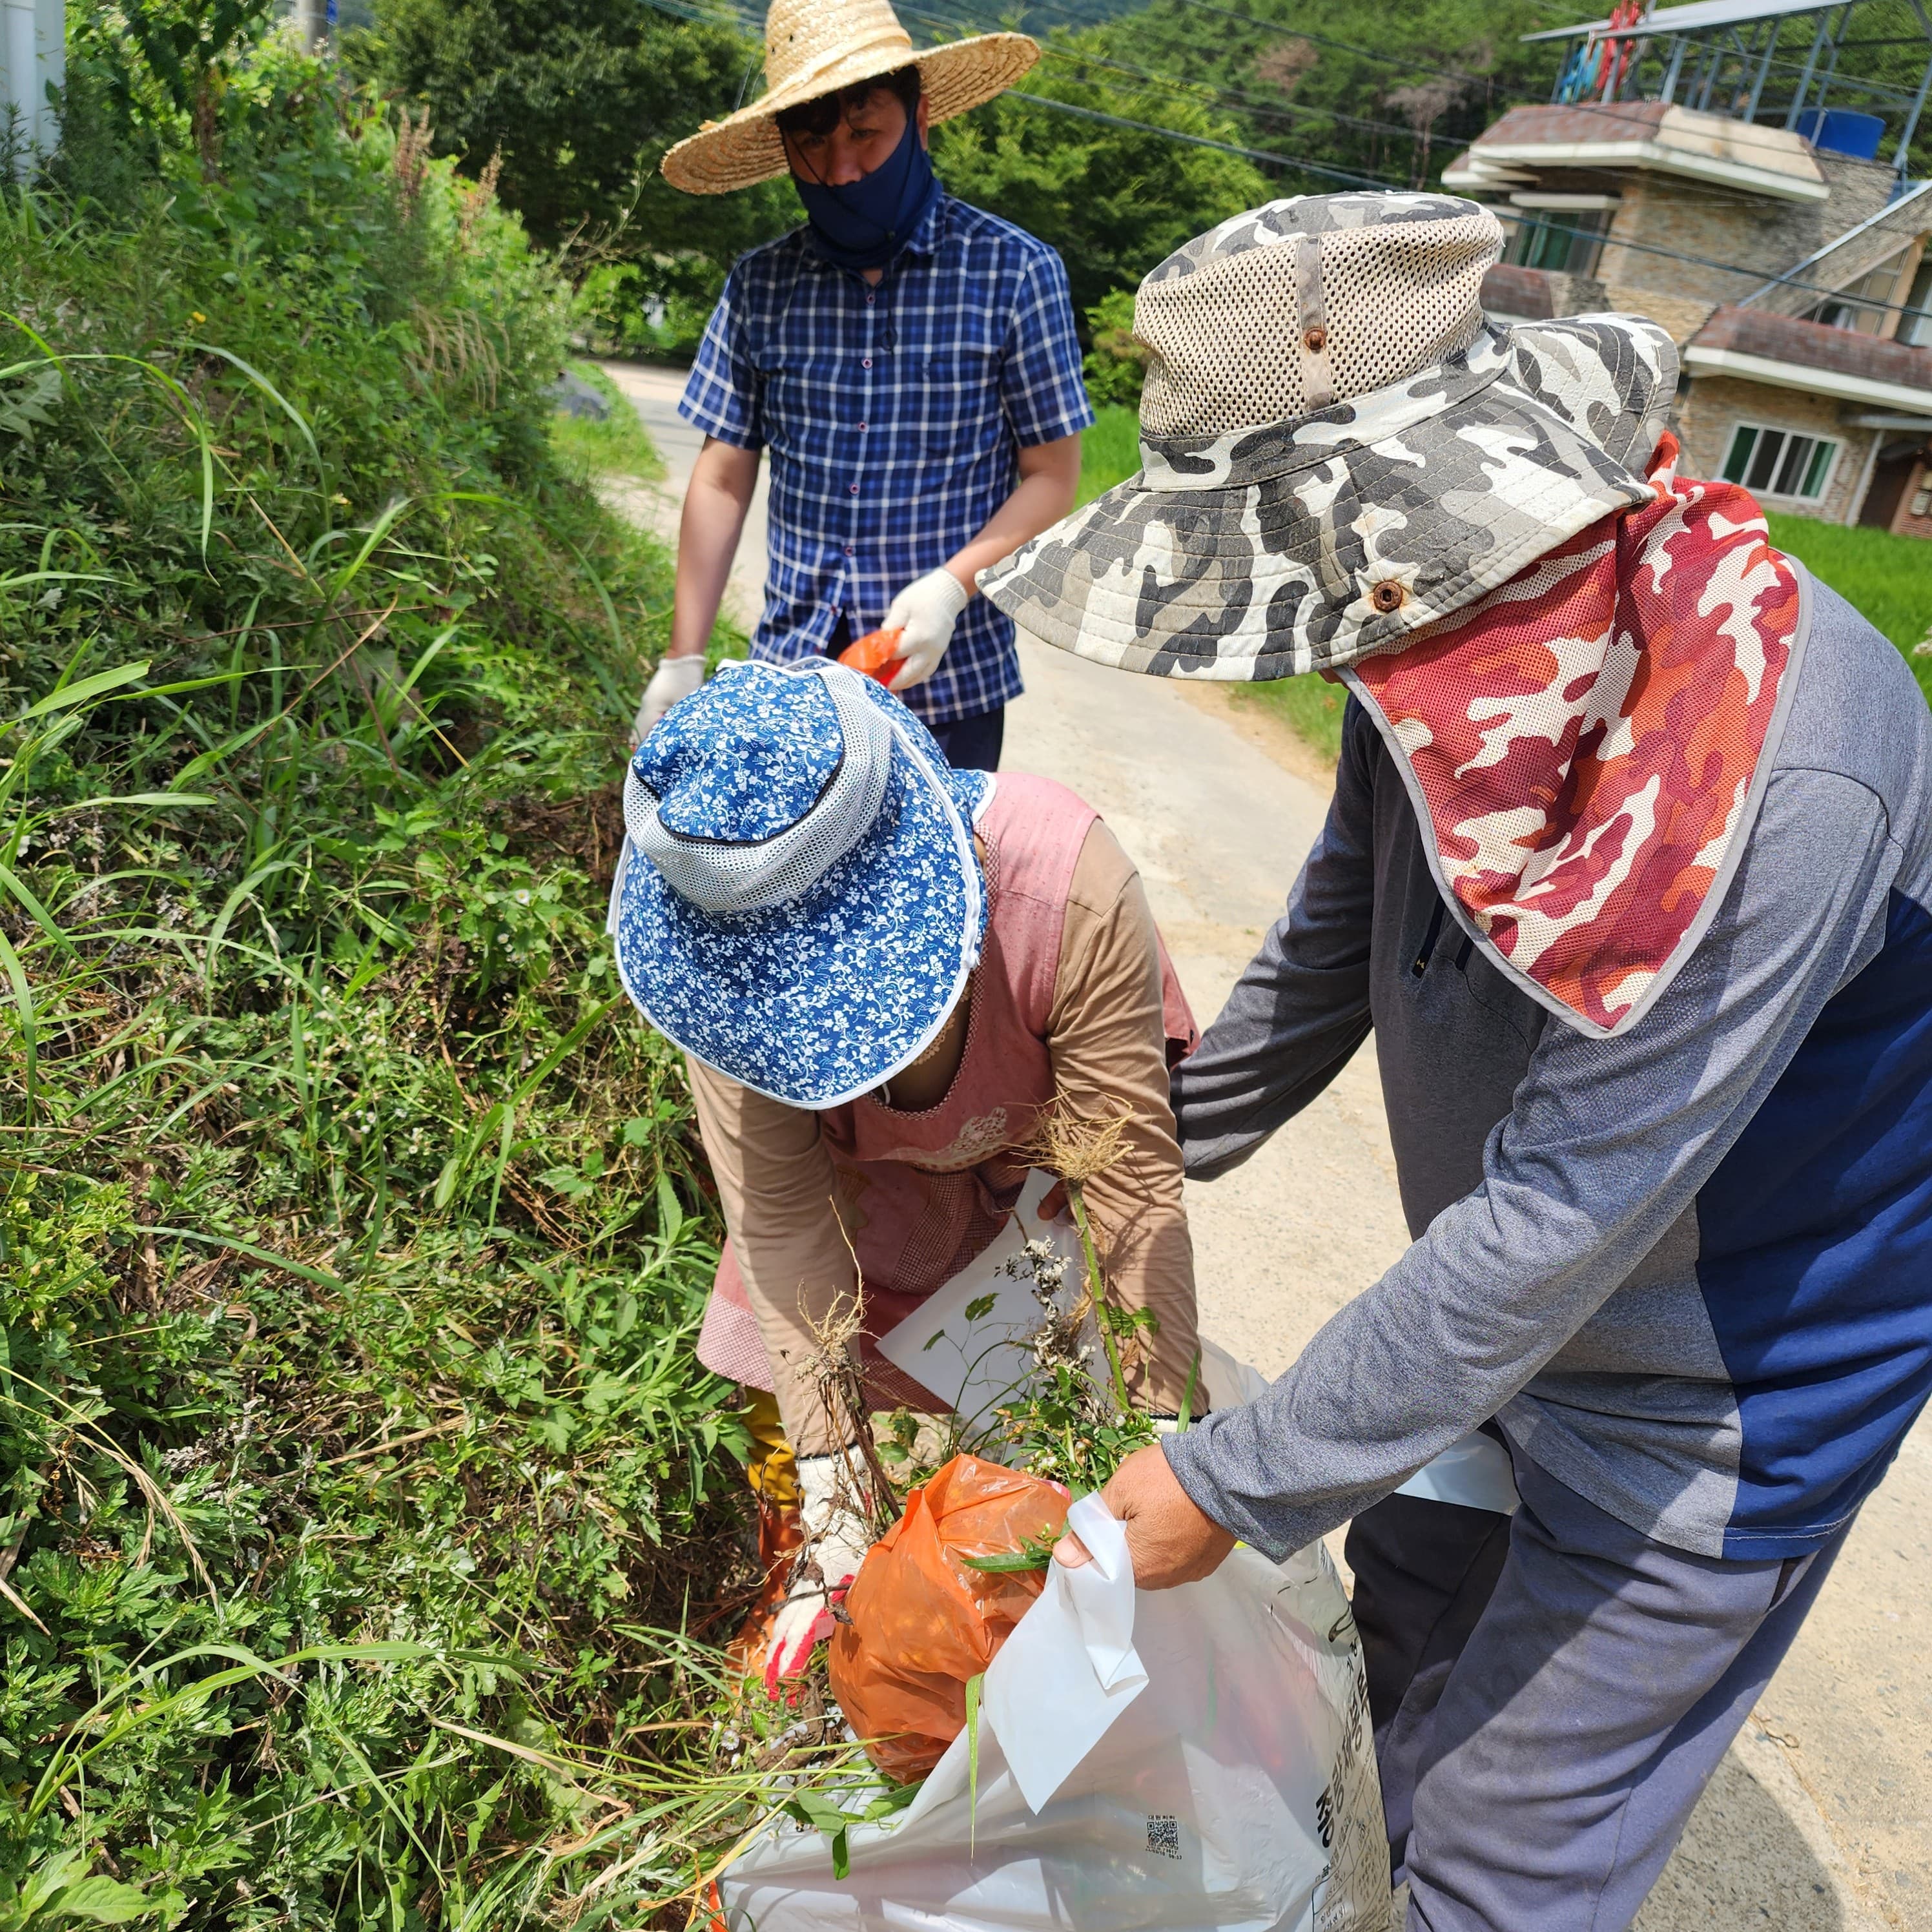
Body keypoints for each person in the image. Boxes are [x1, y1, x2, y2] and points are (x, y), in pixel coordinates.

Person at [983, 194, 1932, 1931]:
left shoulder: (1781, 762)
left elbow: (1571, 1212)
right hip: (1503, 1319)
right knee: (1413, 1624)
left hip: (1709, 1394)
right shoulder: (1441, 623)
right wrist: (1140, 1143)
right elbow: (1346, 926)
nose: (1338, 653)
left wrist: (1228, 1483)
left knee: (1508, 1862)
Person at [606, 656, 1202, 1690]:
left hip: (1032, 1170)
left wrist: (1166, 1446)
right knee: (798, 1442)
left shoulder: (1066, 889)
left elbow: (1132, 1190)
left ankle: (989, 1638)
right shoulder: (720, 958)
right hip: (861, 1194)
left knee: (1044, 1457)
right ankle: (817, 1607)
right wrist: (836, 1491)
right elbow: (783, 1228)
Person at [635, 0, 1094, 771]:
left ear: (917, 122)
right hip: (791, 679)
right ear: (784, 147)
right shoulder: (761, 286)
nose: (842, 168)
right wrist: (682, 657)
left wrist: (951, 588)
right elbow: (721, 475)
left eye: (864, 133)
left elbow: (1051, 477)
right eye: (812, 141)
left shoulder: (1014, 273)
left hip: (947, 683)